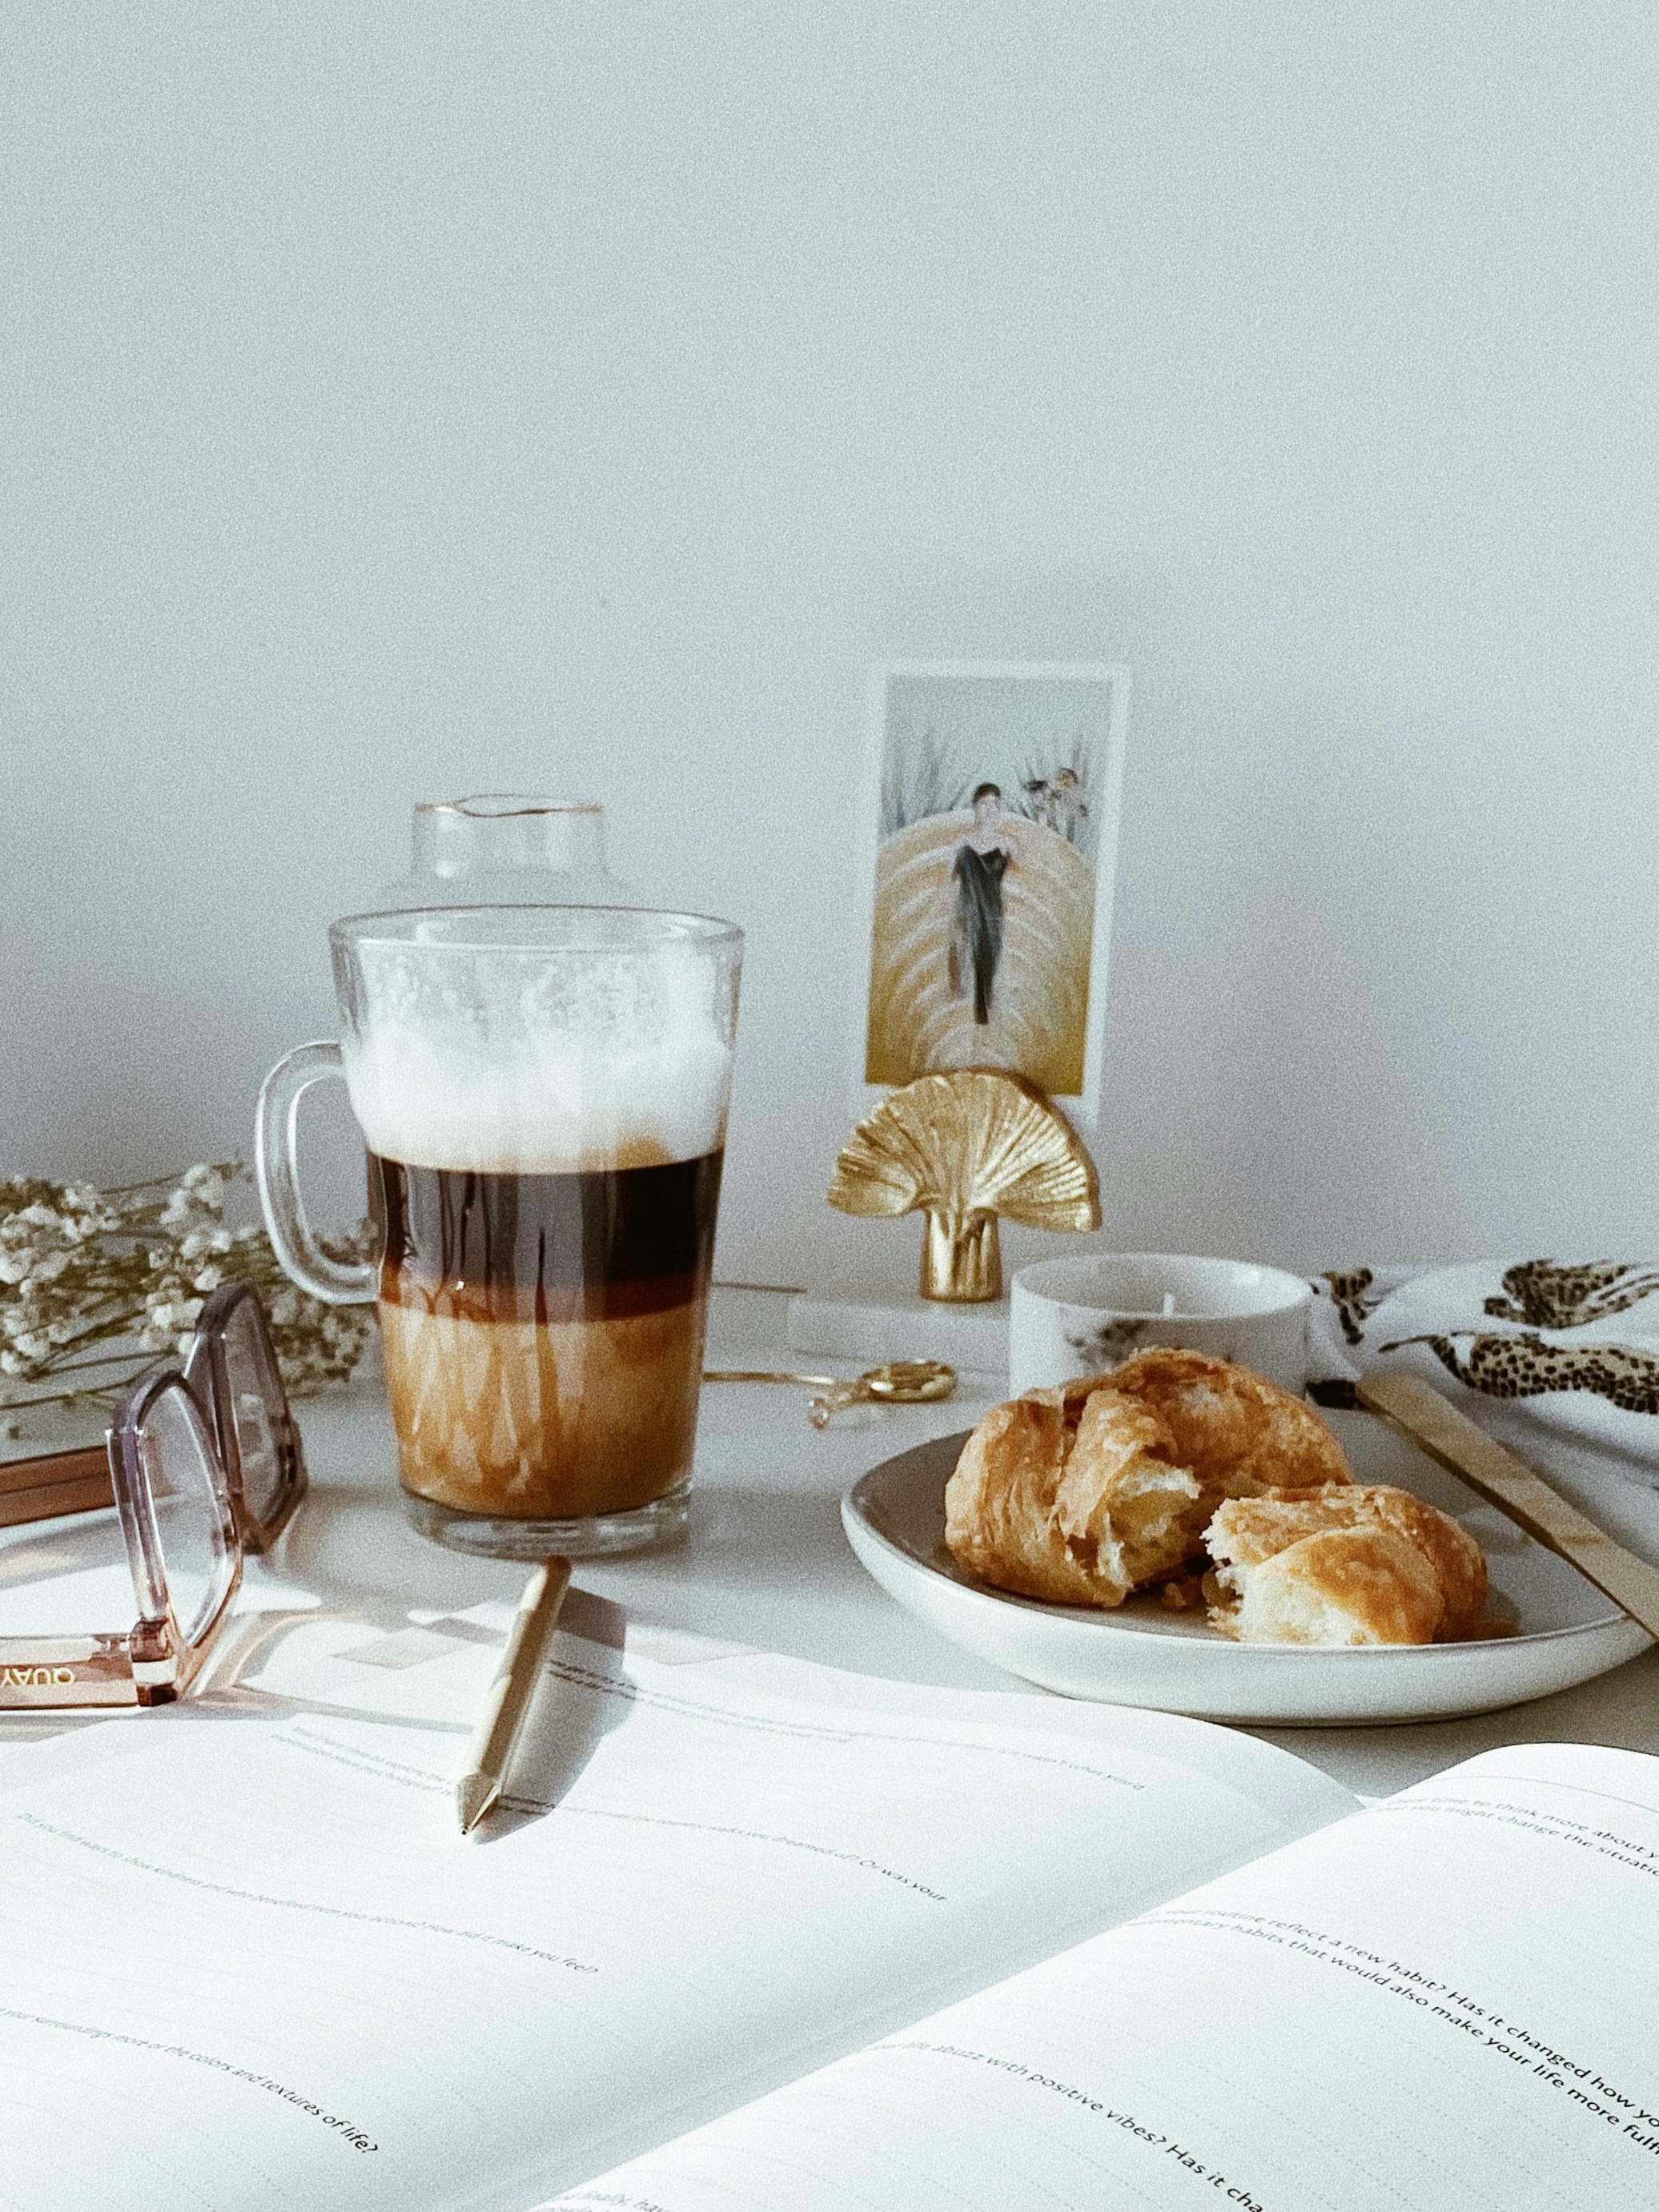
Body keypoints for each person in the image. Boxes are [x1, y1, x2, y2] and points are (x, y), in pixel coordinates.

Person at [949, 783, 1015, 1025]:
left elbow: (1025, 877)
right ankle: (976, 1020)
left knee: (990, 968)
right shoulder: (960, 844)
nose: (991, 809)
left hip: (994, 915)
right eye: (985, 804)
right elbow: (947, 882)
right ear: (974, 808)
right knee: (970, 967)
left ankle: (986, 1021)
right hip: (968, 915)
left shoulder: (1008, 845)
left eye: (995, 805)